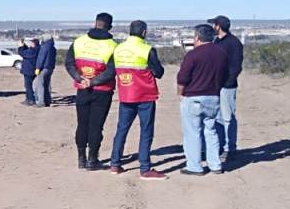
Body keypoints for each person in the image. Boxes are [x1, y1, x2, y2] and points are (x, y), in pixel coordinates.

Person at [108, 21, 167, 180]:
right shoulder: (147, 49)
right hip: (145, 95)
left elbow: (113, 69)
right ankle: (145, 168)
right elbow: (159, 72)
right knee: (146, 131)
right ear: (144, 32)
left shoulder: (118, 49)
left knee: (122, 129)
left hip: (126, 94)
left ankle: (115, 164)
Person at [66, 12, 117, 169]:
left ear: (95, 23)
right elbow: (111, 71)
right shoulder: (113, 46)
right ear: (109, 27)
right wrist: (93, 81)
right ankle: (92, 159)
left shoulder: (79, 42)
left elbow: (69, 64)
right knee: (96, 126)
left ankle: (81, 158)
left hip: (82, 89)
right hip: (102, 90)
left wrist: (80, 79)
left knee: (82, 124)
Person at [176, 24, 228, 176]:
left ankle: (194, 166)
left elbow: (183, 77)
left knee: (192, 132)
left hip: (193, 97)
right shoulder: (222, 53)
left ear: (197, 37)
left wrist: (180, 93)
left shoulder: (193, 54)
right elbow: (226, 74)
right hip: (213, 96)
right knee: (211, 131)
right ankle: (215, 164)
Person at [210, 15, 243, 163]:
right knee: (218, 118)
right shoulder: (217, 41)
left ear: (218, 26)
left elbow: (236, 67)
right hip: (215, 85)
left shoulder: (233, 43)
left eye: (213, 24)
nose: (212, 27)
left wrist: (227, 82)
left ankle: (230, 149)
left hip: (227, 87)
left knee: (228, 117)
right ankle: (220, 147)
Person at [33, 36, 56, 107]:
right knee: (47, 85)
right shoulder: (53, 48)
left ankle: (41, 102)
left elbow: (41, 58)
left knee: (40, 85)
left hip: (43, 68)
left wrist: (37, 68)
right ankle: (47, 101)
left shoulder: (44, 47)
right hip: (50, 68)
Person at [18, 38, 39, 106]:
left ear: (34, 44)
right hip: (31, 70)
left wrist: (20, 46)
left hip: (29, 70)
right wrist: (23, 45)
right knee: (27, 85)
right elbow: (27, 51)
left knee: (28, 86)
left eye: (31, 42)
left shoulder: (33, 50)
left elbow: (23, 53)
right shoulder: (37, 49)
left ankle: (31, 100)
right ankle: (28, 99)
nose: (30, 43)